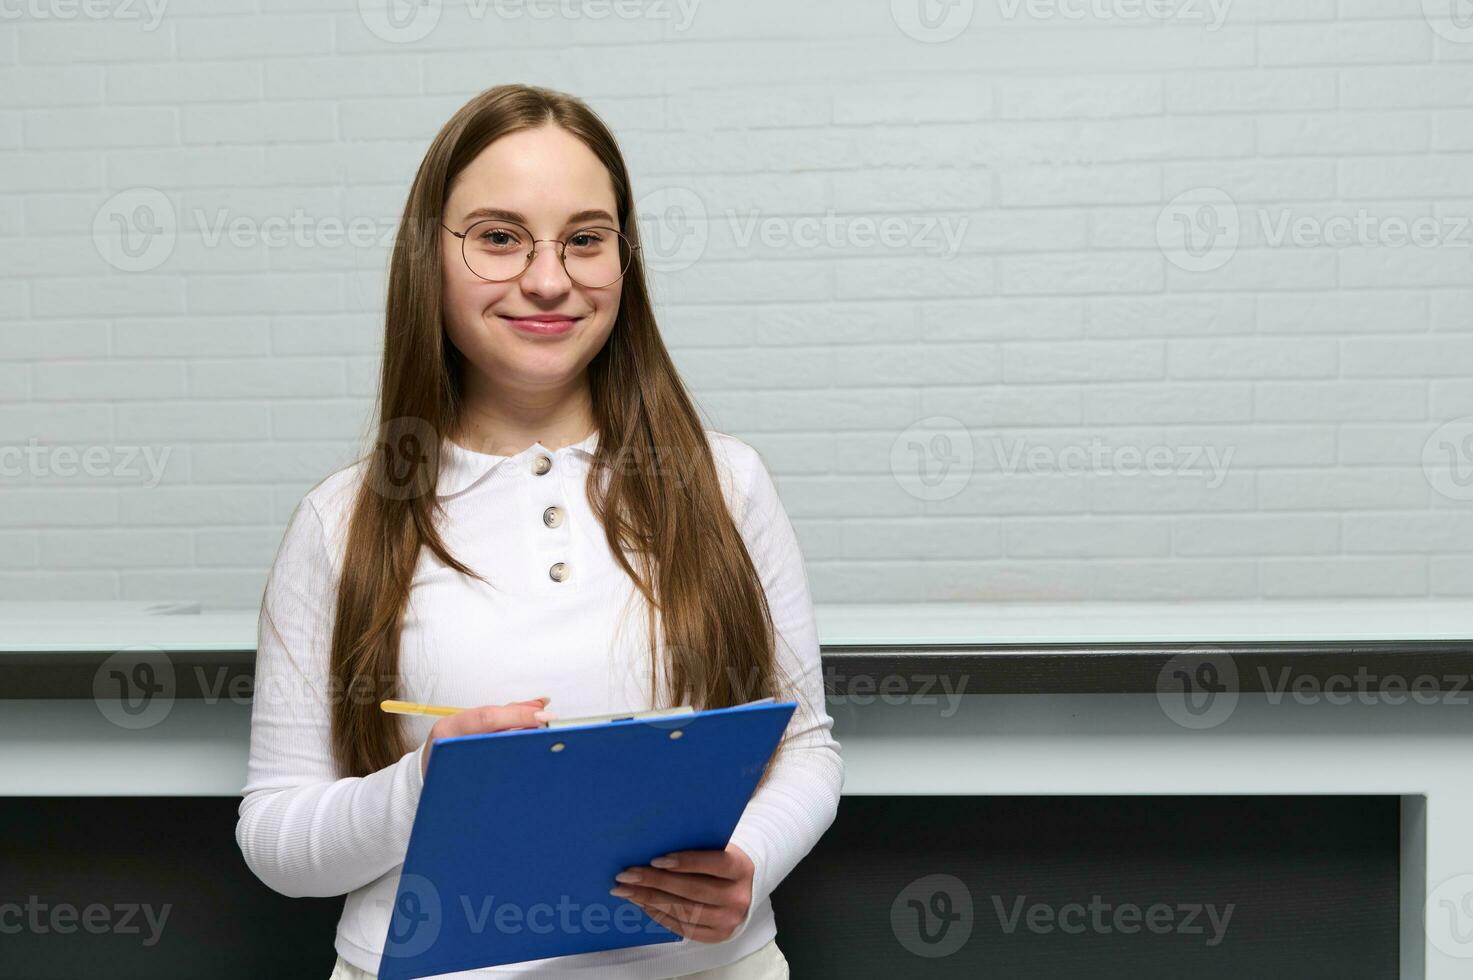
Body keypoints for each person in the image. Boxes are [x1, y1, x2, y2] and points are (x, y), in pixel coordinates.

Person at [234, 83, 844, 979]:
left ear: (622, 262)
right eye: (499, 238)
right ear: (427, 259)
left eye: (586, 239)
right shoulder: (344, 520)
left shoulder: (725, 483)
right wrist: (424, 791)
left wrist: (746, 869)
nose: (550, 278)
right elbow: (275, 838)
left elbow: (804, 749)